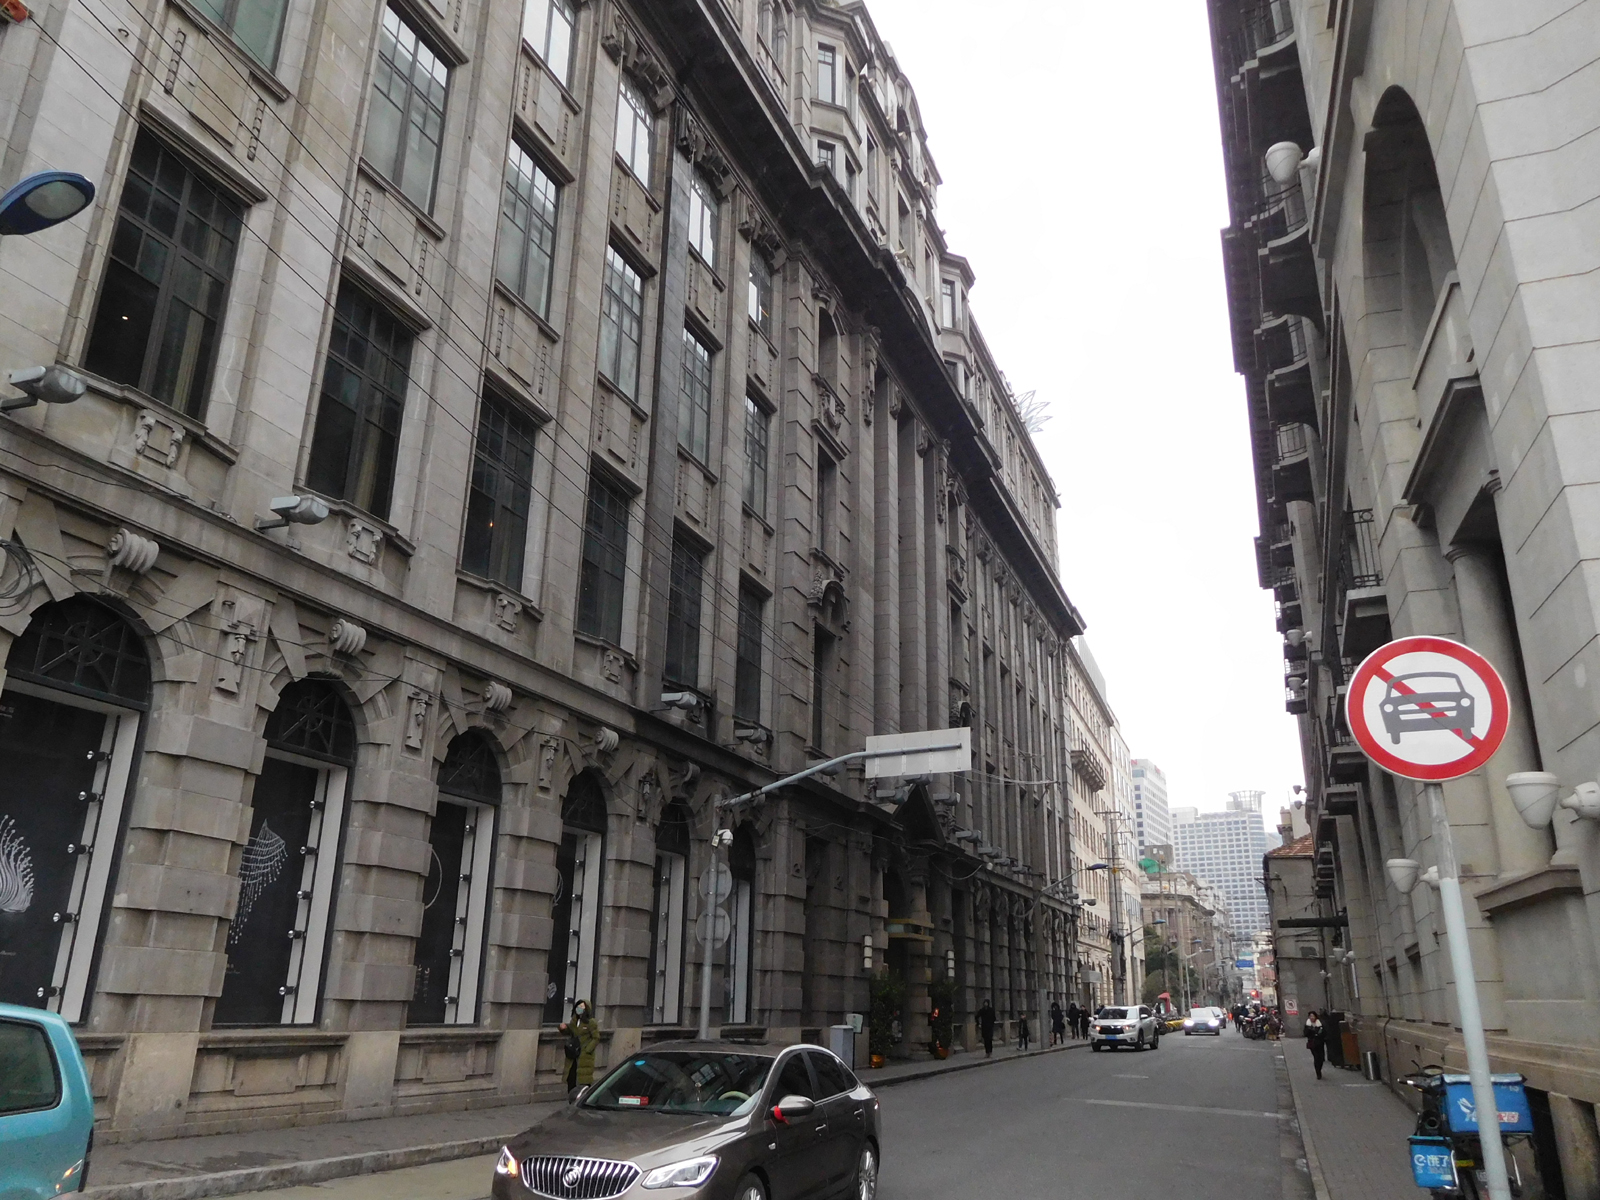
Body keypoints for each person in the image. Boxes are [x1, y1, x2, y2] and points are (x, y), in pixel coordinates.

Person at [560, 998, 601, 1093]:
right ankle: (571, 1095)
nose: (579, 1008)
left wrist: (588, 1049)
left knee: (583, 1078)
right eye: (578, 1006)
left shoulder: (591, 1022)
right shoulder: (574, 1021)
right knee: (571, 1076)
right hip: (573, 1053)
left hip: (584, 1055)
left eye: (582, 1006)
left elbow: (596, 1037)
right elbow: (570, 1031)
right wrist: (563, 1028)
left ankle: (582, 1096)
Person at [1304, 1009, 1325, 1079]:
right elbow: (1305, 1034)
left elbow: (1324, 1033)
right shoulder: (1307, 1025)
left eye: (1313, 1016)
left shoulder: (1320, 1024)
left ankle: (1319, 1068)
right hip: (1312, 1044)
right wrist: (1311, 1030)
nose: (1312, 1017)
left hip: (1320, 1043)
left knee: (1321, 1058)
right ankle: (1318, 1072)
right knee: (1316, 1057)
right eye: (1310, 1016)